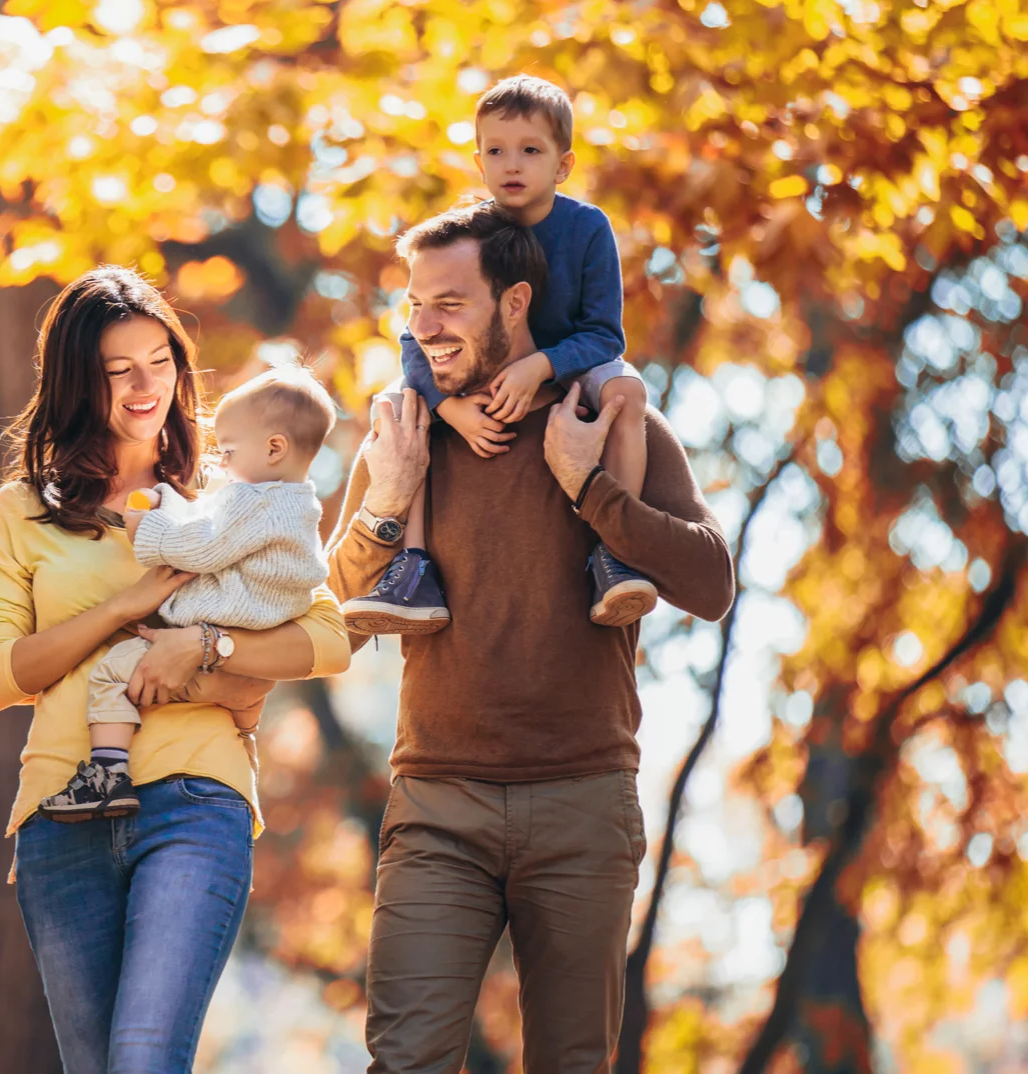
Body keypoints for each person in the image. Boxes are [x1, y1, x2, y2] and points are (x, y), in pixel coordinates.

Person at [328, 202, 734, 1071]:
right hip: (438, 804)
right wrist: (387, 502)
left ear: (515, 302)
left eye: (450, 304)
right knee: (405, 1060)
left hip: (583, 800)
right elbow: (334, 621)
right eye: (413, 307)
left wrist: (590, 488)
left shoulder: (607, 422)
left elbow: (710, 585)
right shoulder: (404, 435)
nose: (424, 329)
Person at [0, 266, 352, 1072]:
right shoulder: (23, 509)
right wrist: (120, 608)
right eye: (118, 371)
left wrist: (207, 649)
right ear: (80, 384)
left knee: (143, 1058)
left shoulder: (232, 490)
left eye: (160, 361)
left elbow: (325, 639)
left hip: (192, 800)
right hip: (60, 813)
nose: (147, 387)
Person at [342, 74, 657, 635]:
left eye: (531, 151)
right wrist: (445, 405)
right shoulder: (474, 232)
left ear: (563, 164)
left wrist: (542, 365)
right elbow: (418, 334)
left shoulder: (587, 229)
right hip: (469, 377)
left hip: (572, 369)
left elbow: (605, 334)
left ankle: (616, 551)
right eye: (496, 151)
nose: (512, 165)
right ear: (479, 160)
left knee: (627, 391)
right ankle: (412, 569)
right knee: (399, 407)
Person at [40, 364, 335, 821]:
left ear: (275, 448)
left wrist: (147, 528)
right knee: (242, 697)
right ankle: (244, 739)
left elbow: (203, 546)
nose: (223, 463)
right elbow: (210, 519)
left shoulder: (250, 499)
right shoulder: (296, 503)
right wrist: (169, 501)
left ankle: (107, 773)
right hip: (258, 629)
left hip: (223, 618)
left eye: (231, 450)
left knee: (111, 674)